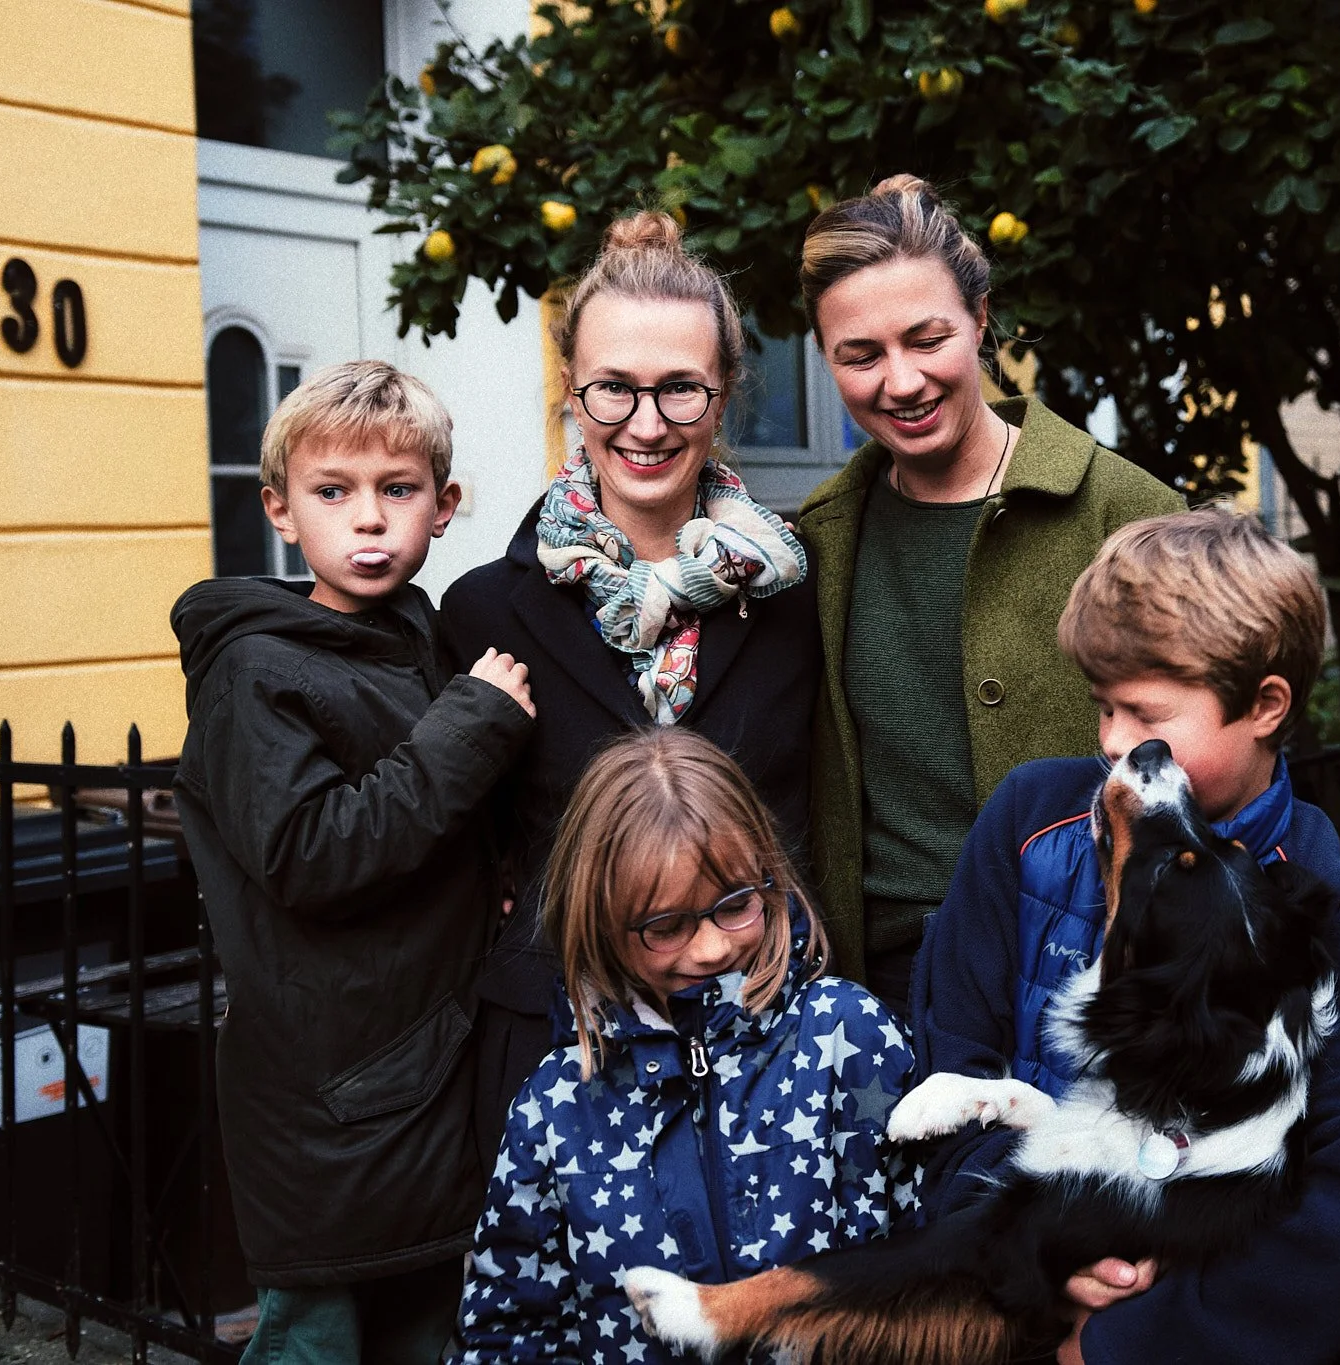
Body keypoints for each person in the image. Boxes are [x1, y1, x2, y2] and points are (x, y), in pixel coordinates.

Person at [913, 507, 1340, 1365]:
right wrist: (1039, 1254)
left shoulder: (1327, 911)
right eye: (1103, 708)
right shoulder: (1023, 825)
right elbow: (951, 1065)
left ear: (1266, 704)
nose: (1116, 745)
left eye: (1146, 712)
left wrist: (1135, 1341)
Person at [171, 360, 538, 1364]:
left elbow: (438, 828)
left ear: (445, 504)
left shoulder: (415, 642)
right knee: (318, 1341)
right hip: (332, 1104)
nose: (367, 521)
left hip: (426, 1082)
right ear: (281, 510)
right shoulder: (257, 671)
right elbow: (314, 855)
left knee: (423, 1333)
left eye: (397, 490)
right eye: (333, 493)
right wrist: (471, 727)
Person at [440, 210, 820, 1163]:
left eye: (680, 391)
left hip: (768, 1056)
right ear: (571, 388)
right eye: (614, 389)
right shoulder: (483, 611)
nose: (645, 426)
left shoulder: (795, 593)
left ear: (722, 392)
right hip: (563, 1065)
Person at [796, 174, 1184, 1012]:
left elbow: (1211, 765)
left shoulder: (1131, 513)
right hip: (882, 988)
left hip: (1089, 974)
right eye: (860, 355)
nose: (900, 381)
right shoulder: (819, 539)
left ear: (979, 319)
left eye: (927, 338)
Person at [458, 728, 916, 1363]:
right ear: (599, 921)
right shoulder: (556, 1105)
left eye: (734, 906)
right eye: (665, 927)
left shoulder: (847, 1036)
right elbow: (505, 1334)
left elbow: (930, 1266)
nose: (711, 949)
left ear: (768, 877)